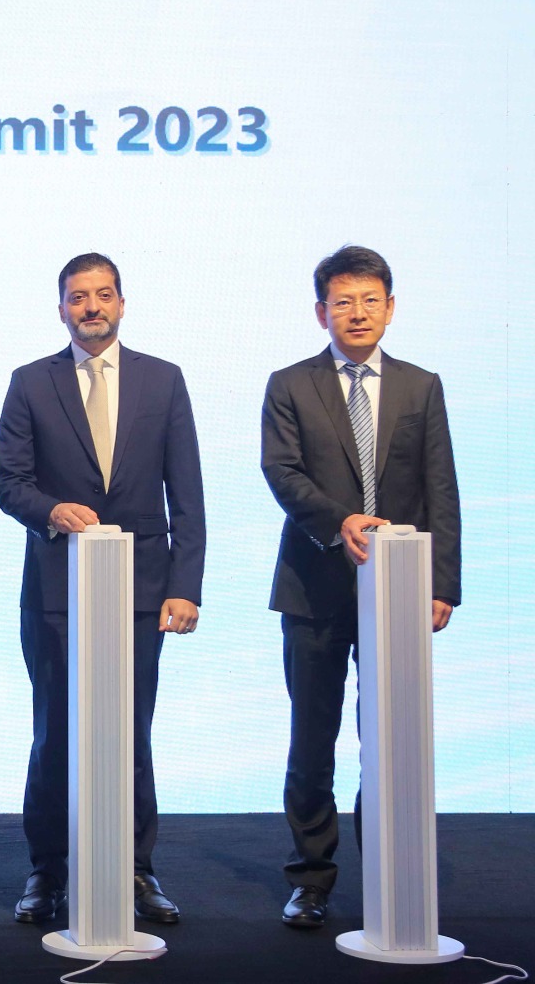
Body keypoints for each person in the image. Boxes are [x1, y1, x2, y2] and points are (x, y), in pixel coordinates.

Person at [0, 252, 204, 926]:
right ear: (61, 308)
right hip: (57, 593)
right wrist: (51, 510)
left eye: (103, 294)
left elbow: (187, 493)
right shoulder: (31, 382)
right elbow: (9, 483)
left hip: (141, 592)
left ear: (121, 302)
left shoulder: (163, 380)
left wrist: (185, 586)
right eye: (79, 296)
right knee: (55, 733)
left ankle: (136, 869)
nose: (92, 307)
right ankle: (47, 871)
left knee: (131, 733)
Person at [261, 244, 460, 929]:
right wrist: (337, 520)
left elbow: (441, 488)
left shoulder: (420, 386)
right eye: (343, 301)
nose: (357, 312)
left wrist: (442, 584)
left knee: (391, 739)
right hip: (313, 587)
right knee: (312, 739)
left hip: (401, 590)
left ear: (391, 308)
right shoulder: (291, 384)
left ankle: (389, 872)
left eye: (370, 300)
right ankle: (310, 879)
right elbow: (282, 471)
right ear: (322, 312)